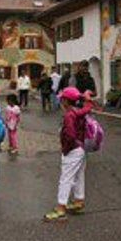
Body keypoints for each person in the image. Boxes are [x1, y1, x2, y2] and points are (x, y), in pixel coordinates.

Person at [44, 87, 94, 222]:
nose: (60, 100)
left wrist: (65, 148)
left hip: (73, 149)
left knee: (65, 178)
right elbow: (88, 107)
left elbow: (70, 135)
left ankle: (61, 208)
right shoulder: (79, 111)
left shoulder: (69, 115)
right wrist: (86, 99)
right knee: (78, 175)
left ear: (66, 101)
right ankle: (79, 200)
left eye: (62, 98)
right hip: (82, 147)